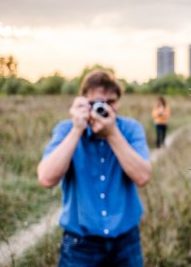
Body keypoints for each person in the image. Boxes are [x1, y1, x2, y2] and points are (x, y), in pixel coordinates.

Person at [37, 70, 151, 267]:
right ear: (83, 102)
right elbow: (46, 178)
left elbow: (142, 177)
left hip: (126, 240)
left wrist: (112, 133)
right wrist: (77, 130)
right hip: (80, 243)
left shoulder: (131, 129)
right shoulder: (66, 129)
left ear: (119, 102)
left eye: (111, 102)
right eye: (96, 103)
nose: (104, 108)